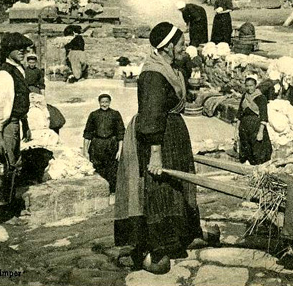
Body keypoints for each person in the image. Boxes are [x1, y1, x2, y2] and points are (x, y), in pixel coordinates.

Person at [115, 22, 204, 274]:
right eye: (181, 45)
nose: (184, 48)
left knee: (175, 187)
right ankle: (156, 248)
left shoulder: (169, 66)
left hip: (172, 133)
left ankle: (179, 236)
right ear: (167, 48)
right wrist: (156, 154)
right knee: (158, 189)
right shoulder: (153, 74)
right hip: (157, 137)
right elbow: (152, 114)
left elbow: (186, 69)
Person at [0, 32, 34, 172]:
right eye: (17, 48)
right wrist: (0, 138)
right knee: (10, 164)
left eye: (24, 48)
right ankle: (8, 193)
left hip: (16, 122)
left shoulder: (19, 69)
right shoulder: (5, 74)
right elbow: (0, 107)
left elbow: (20, 100)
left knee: (16, 162)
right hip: (8, 125)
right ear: (8, 51)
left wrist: (25, 124)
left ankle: (14, 191)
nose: (22, 51)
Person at [83, 92, 125, 194]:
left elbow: (121, 133)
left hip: (111, 145)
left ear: (110, 102)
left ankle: (112, 191)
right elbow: (87, 133)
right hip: (97, 145)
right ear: (99, 102)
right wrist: (85, 151)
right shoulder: (93, 115)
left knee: (112, 168)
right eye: (102, 102)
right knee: (98, 167)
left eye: (106, 102)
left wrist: (120, 150)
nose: (104, 104)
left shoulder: (115, 114)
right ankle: (100, 191)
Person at [234, 74, 272, 165]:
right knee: (246, 149)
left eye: (251, 86)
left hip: (256, 127)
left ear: (255, 85)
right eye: (247, 86)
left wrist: (260, 132)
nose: (249, 88)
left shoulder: (261, 98)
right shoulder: (244, 96)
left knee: (257, 151)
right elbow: (240, 114)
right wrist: (236, 130)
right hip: (244, 127)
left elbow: (264, 116)